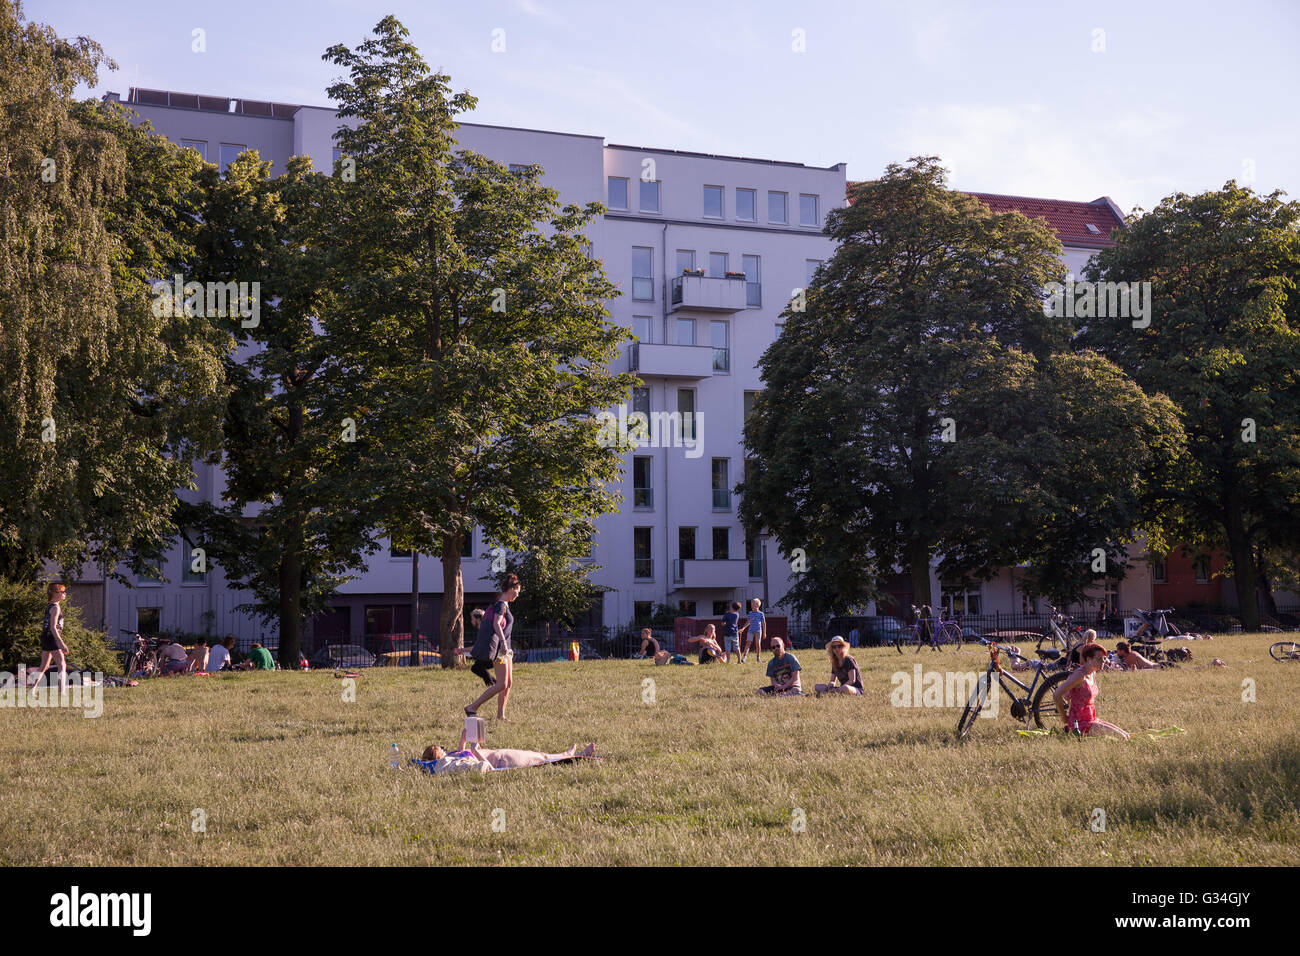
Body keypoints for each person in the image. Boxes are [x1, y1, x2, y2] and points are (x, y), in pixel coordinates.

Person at [466, 573, 520, 721]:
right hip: (500, 650)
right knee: (501, 683)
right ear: (511, 589)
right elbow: (496, 623)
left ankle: (501, 716)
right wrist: (503, 642)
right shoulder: (501, 605)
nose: (517, 595)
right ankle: (472, 707)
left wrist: (507, 645)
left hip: (506, 649)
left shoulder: (504, 604)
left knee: (508, 683)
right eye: (517, 591)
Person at [1051, 642, 1129, 738]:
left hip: (1091, 719)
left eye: (1104, 658)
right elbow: (1056, 694)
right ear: (1088, 659)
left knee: (1126, 735)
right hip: (1079, 724)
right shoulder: (1080, 675)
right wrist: (1064, 717)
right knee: (1122, 738)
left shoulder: (1092, 673)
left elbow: (1067, 695)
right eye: (1099, 658)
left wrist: (1069, 694)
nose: (1103, 661)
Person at [421, 741, 597, 772]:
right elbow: (478, 764)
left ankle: (566, 754)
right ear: (436, 755)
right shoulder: (448, 762)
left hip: (500, 755)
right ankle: (575, 756)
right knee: (539, 759)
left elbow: (462, 751)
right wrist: (474, 751)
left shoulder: (451, 757)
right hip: (500, 760)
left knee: (539, 755)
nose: (445, 750)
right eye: (441, 749)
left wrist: (465, 738)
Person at [30, 582, 69, 694]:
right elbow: (53, 627)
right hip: (52, 638)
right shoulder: (55, 608)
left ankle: (32, 689)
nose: (64, 594)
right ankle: (62, 691)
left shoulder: (50, 606)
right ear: (56, 593)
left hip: (46, 637)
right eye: (62, 592)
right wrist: (61, 643)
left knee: (44, 665)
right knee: (62, 664)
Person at [739, 598, 766, 663]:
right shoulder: (750, 613)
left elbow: (763, 623)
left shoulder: (761, 614)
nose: (752, 606)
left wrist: (764, 632)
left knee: (757, 643)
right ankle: (744, 657)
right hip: (750, 630)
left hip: (758, 631)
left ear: (758, 605)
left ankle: (758, 657)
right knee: (748, 643)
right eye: (751, 604)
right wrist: (743, 628)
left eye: (753, 604)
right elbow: (748, 622)